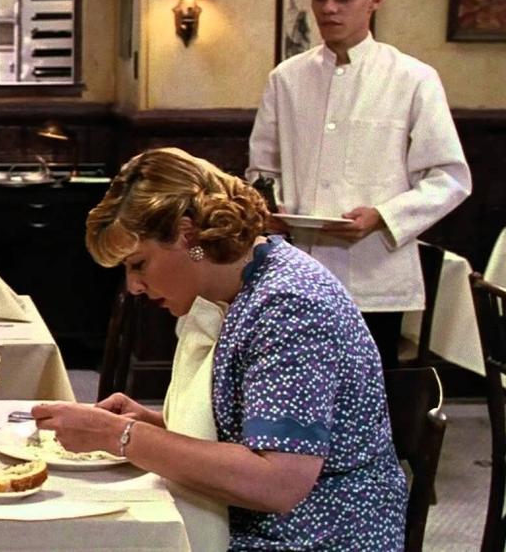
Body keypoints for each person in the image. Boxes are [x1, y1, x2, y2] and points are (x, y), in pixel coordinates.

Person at [33, 147, 407, 550]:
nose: (134, 286)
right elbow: (254, 434)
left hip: (312, 539)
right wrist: (154, 426)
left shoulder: (290, 306)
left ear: (188, 235)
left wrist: (121, 436)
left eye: (138, 264)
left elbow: (278, 482)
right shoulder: (249, 284)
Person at [248, 0, 471, 368]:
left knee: (369, 392)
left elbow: (449, 177)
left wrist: (382, 216)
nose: (329, 8)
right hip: (298, 270)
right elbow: (262, 168)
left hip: (376, 277)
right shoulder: (286, 79)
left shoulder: (413, 78)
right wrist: (270, 207)